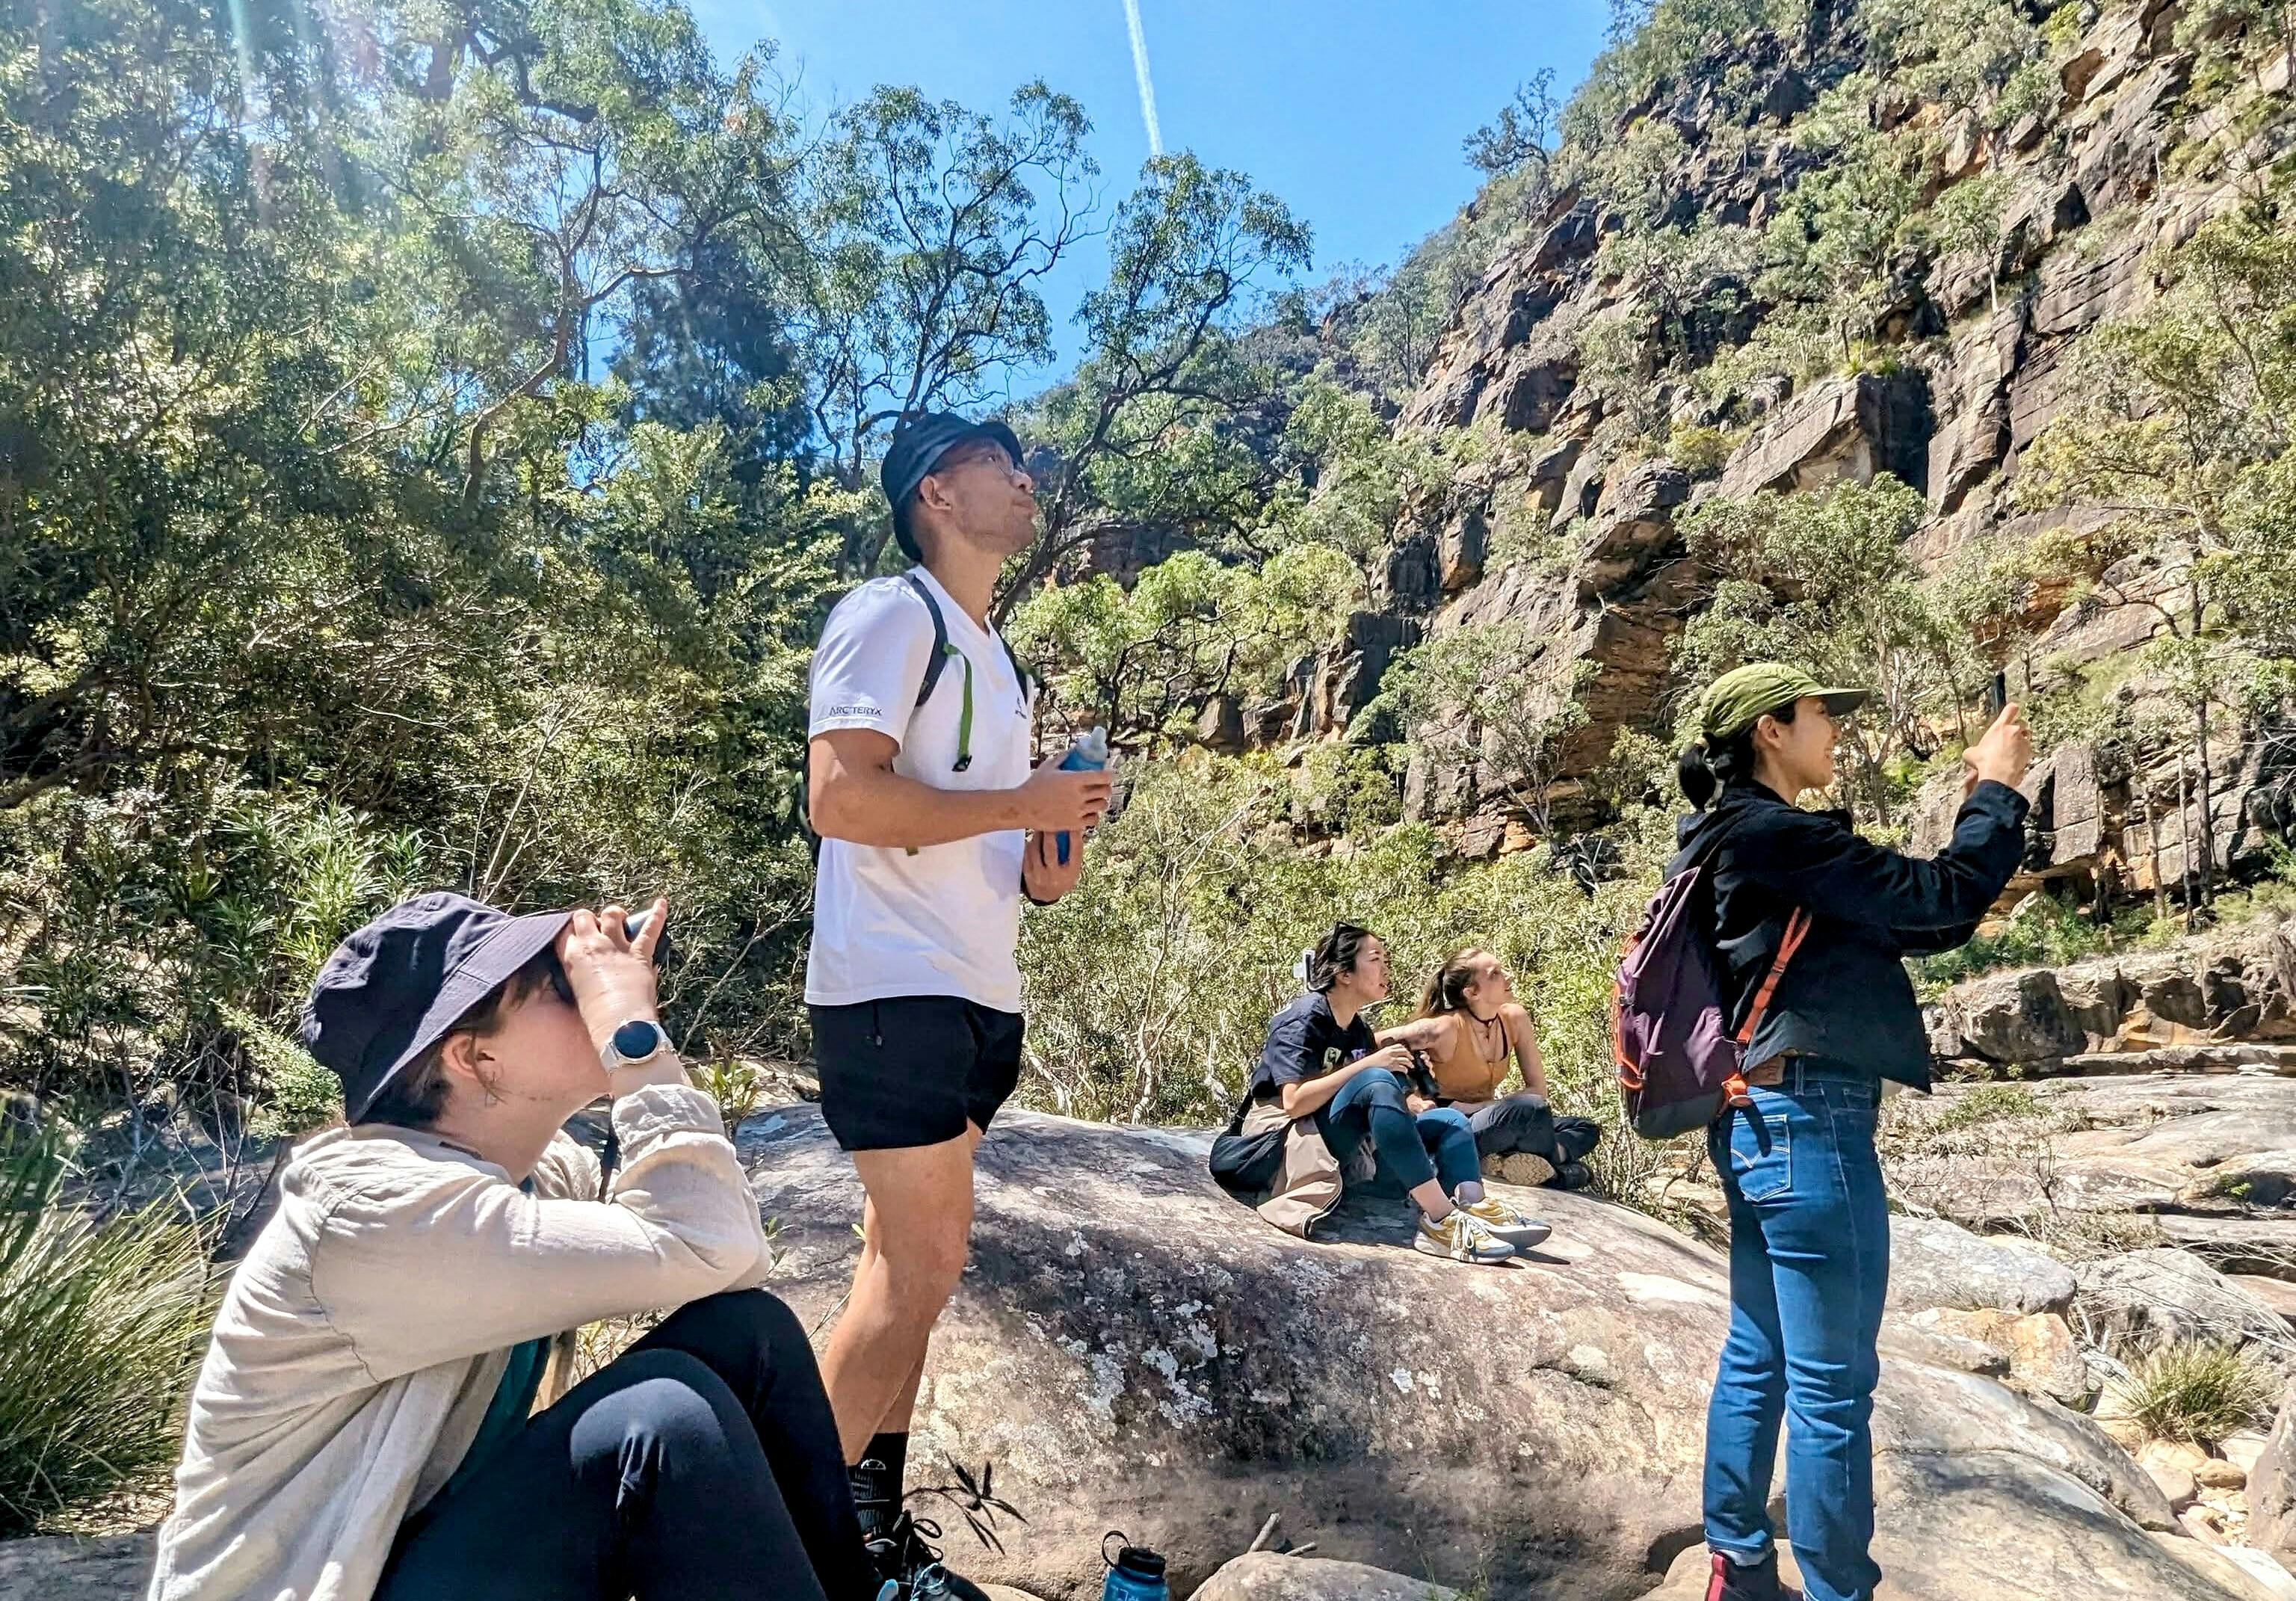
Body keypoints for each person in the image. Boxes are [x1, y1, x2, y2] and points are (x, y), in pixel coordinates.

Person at [149, 892, 884, 1601]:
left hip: (420, 1555)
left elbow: (716, 1254)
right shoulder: (376, 1207)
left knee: (748, 1335)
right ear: (475, 1059)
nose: (584, 992)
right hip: (330, 1582)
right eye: (554, 984)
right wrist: (631, 1031)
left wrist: (610, 982)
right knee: (654, 1420)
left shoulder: (521, 1175)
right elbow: (709, 1240)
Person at [803, 411, 1111, 1600]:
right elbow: (842, 797)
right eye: (1003, 467)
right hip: (894, 987)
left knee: (904, 1272)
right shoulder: (894, 615)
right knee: (920, 1272)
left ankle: (868, 1535)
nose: (1028, 483)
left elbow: (1011, 855)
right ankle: (780, 1548)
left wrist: (1051, 843)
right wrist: (1015, 799)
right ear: (937, 491)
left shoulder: (999, 655)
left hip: (979, 994)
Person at [1676, 664, 2031, 1601]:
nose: (1836, 728)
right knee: (1832, 1388)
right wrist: (1996, 790)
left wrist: (1975, 815)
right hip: (1812, 1123)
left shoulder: (1726, 842)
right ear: (1769, 730)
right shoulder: (1772, 835)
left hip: (1754, 1119)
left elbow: (1921, 919)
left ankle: (1739, 1566)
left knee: (1759, 1352)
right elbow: (1945, 896)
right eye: (1823, 712)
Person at [1243, 923, 1551, 1263]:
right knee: (1375, 1079)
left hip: (1343, 1144)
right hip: (1285, 1145)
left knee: (1447, 1120)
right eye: (1376, 959)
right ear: (1344, 973)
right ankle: (1440, 1221)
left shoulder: (1357, 1029)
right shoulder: (1304, 1020)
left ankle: (1473, 1205)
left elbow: (1363, 1093)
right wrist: (1373, 1066)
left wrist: (1408, 1092)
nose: (1386, 968)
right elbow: (1295, 1102)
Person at [1377, 949, 1603, 1190]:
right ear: (1472, 992)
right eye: (1495, 974)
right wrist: (1408, 1098)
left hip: (1491, 1119)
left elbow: (1538, 1089)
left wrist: (1482, 1107)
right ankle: (1560, 1173)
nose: (1509, 977)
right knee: (1528, 1110)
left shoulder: (1514, 1018)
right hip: (1454, 1125)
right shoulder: (1443, 1029)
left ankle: (1511, 1161)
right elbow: (1366, 1045)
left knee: (1585, 1128)